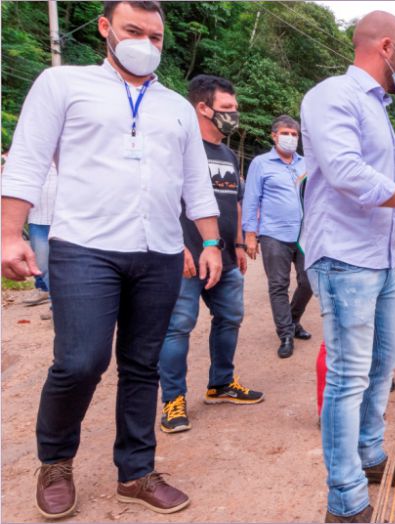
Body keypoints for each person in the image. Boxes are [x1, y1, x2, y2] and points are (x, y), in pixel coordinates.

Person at [0, 1, 222, 517]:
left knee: (143, 365)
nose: (145, 43)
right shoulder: (63, 85)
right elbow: (28, 160)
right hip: (85, 247)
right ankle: (55, 462)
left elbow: (195, 181)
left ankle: (137, 471)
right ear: (105, 28)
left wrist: (209, 242)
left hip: (161, 251)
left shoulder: (175, 108)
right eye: (132, 30)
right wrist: (11, 234)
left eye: (155, 36)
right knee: (80, 361)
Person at [300, 11, 395, 523]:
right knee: (348, 375)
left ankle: (369, 455)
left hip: (379, 260)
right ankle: (344, 499)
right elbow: (346, 173)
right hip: (345, 258)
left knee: (382, 362)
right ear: (386, 47)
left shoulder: (378, 110)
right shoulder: (332, 96)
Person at [158, 74, 264, 435]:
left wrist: (237, 244)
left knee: (230, 317)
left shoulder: (228, 154)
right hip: (186, 257)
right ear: (202, 108)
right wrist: (180, 247)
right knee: (177, 328)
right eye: (227, 108)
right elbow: (162, 201)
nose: (234, 115)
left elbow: (234, 201)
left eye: (235, 108)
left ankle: (221, 383)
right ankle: (173, 400)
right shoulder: (180, 148)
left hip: (225, 257)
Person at [242, 115, 312, 358]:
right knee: (278, 284)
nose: (290, 138)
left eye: (294, 135)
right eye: (286, 133)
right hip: (274, 233)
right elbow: (251, 200)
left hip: (305, 234)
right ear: (274, 135)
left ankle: (292, 319)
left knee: (309, 280)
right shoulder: (261, 164)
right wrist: (250, 235)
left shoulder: (306, 163)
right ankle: (285, 333)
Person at [25, 164, 57, 307]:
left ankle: (56, 305)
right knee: (42, 264)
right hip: (37, 219)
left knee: (64, 264)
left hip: (62, 219)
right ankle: (52, 296)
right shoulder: (33, 158)